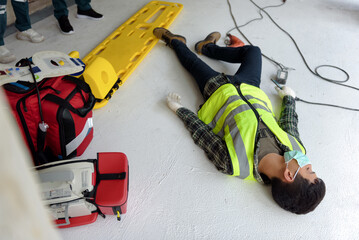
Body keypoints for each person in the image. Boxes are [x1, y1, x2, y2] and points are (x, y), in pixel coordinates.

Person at [153, 27, 326, 214]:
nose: (308, 162)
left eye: (308, 169)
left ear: (289, 175)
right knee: (253, 51)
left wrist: (179, 110)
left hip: (217, 91)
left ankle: (174, 41)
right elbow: (289, 123)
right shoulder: (296, 148)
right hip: (250, 87)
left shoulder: (234, 163)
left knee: (189, 60)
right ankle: (207, 47)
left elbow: (202, 135)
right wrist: (289, 98)